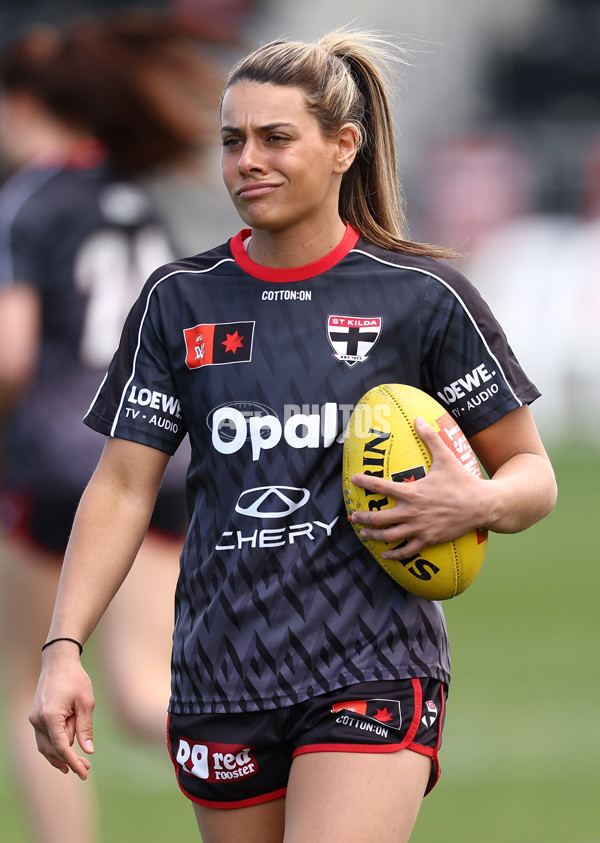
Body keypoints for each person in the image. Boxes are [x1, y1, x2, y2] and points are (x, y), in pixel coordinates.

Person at [28, 29, 558, 843]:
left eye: (276, 138)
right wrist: (63, 647)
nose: (248, 160)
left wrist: (476, 499)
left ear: (344, 145)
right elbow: (123, 486)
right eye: (233, 140)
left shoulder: (423, 296)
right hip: (222, 668)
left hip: (374, 663)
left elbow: (532, 472)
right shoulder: (180, 300)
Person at [0, 12, 234, 843]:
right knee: (142, 689)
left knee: (32, 678)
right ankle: (275, 751)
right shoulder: (135, 197)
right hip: (158, 456)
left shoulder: (29, 200)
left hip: (60, 465)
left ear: (25, 105)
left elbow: (12, 355)